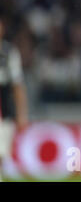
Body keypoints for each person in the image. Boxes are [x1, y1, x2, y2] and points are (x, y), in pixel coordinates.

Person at [0, 15, 28, 182]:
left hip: (3, 109)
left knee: (1, 152)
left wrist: (21, 113)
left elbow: (17, 85)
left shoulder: (8, 52)